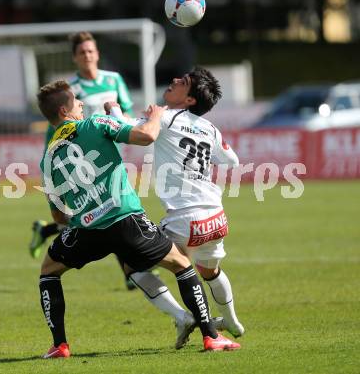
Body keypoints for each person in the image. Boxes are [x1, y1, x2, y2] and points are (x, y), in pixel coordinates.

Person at [36, 80, 240, 358]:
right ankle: (211, 336)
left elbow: (58, 214)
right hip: (126, 219)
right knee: (181, 265)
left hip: (88, 229)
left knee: (49, 271)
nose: (82, 103)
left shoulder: (47, 158)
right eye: (76, 101)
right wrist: (155, 116)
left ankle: (60, 345)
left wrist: (85, 212)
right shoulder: (95, 124)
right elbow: (145, 135)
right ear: (64, 110)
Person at [105, 67, 245, 338]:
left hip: (184, 218)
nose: (175, 80)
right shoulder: (210, 129)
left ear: (190, 99)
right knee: (210, 270)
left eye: (183, 82)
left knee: (131, 263)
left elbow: (129, 129)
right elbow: (233, 161)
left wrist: (112, 109)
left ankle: (182, 317)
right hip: (216, 216)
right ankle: (232, 322)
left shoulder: (167, 118)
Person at [29, 32, 138, 289]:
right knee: (106, 210)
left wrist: (123, 124)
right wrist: (53, 162)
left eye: (91, 51)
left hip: (108, 150)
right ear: (75, 58)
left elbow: (127, 110)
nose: (87, 56)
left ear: (97, 53)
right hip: (81, 160)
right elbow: (55, 128)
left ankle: (45, 231)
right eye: (82, 52)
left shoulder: (114, 79)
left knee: (105, 210)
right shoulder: (70, 90)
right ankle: (132, 271)